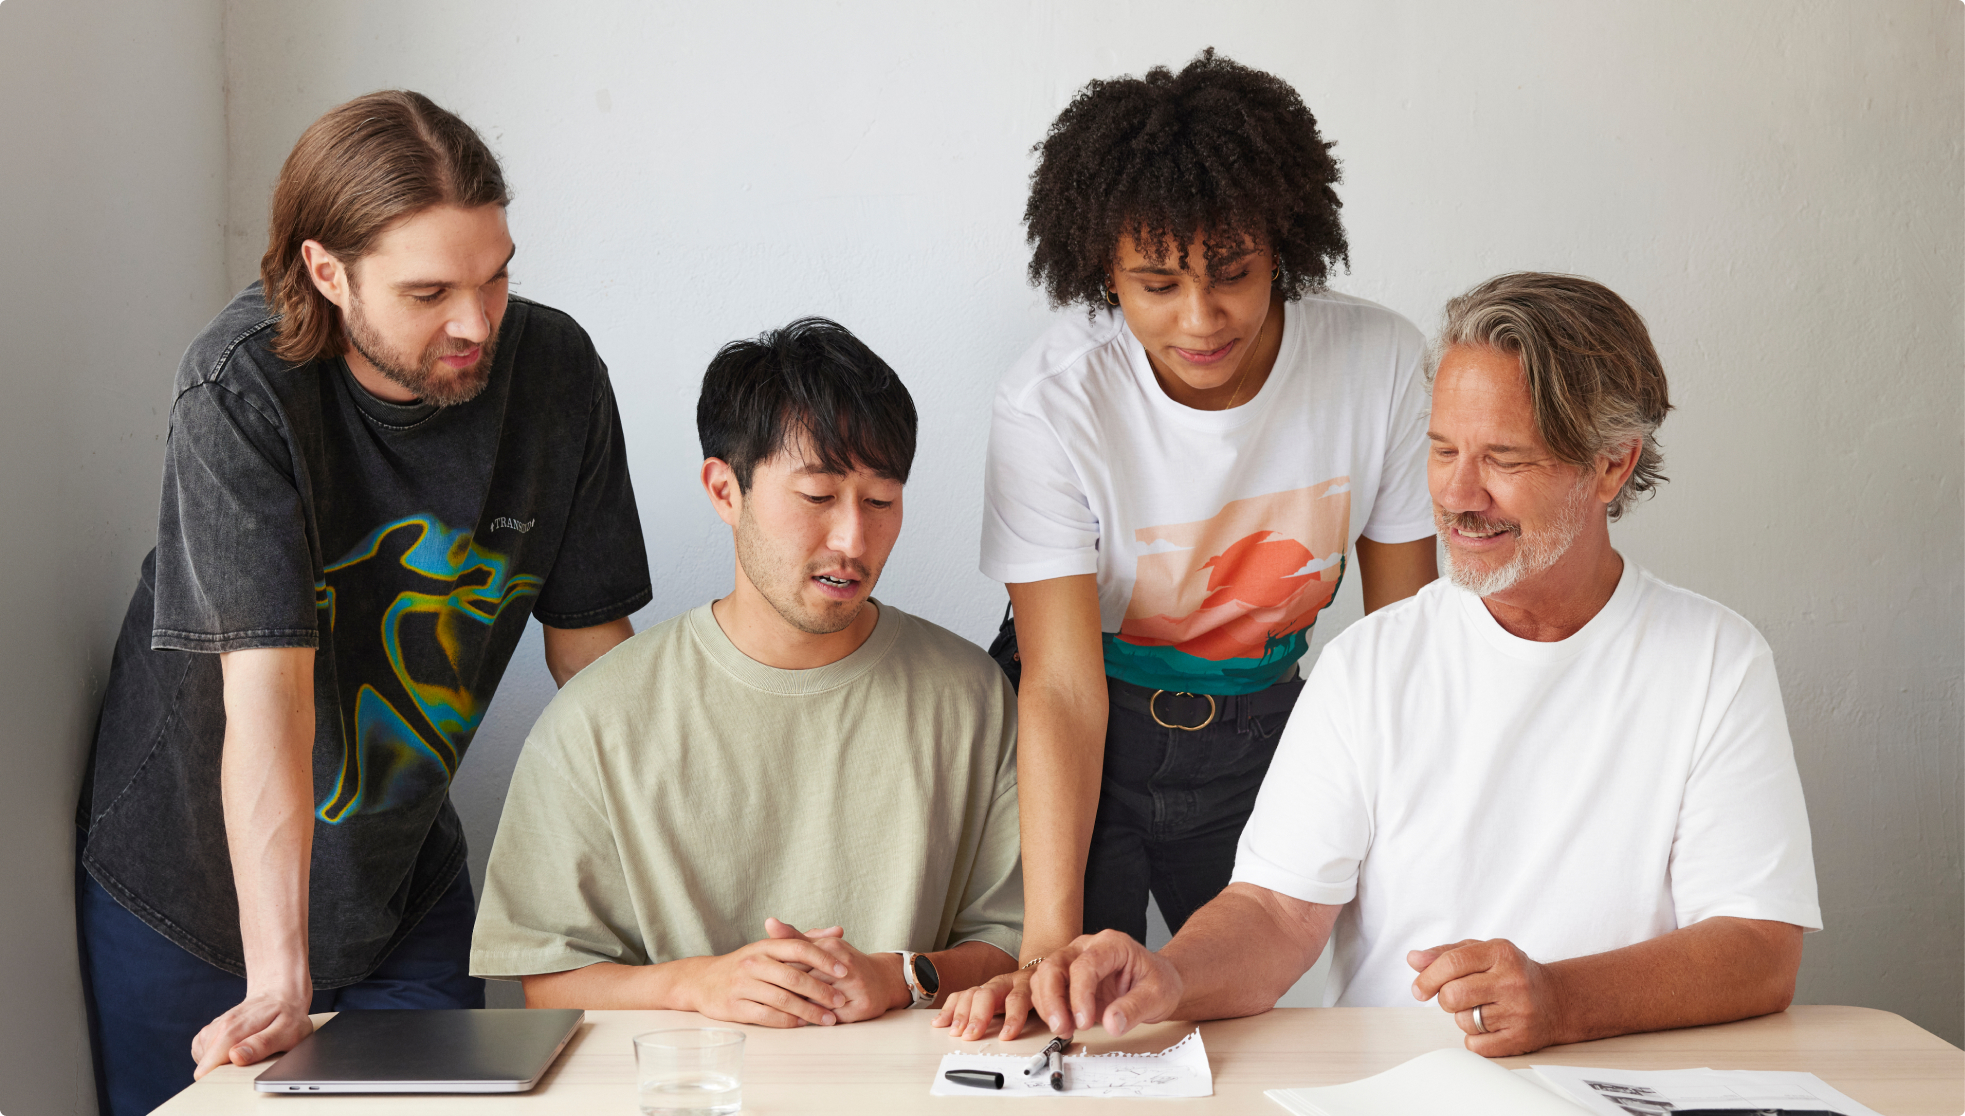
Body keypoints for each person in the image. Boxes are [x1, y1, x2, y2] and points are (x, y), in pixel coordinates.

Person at [1024, 273, 1821, 1056]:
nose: (1457, 493)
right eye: (1442, 449)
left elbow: (1757, 948)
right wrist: (1168, 974)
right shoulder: (1368, 664)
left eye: (1504, 459)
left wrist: (1558, 1000)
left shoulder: (1716, 660)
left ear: (1611, 466)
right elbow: (1273, 913)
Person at [74, 91, 651, 1115]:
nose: (477, 322)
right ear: (326, 272)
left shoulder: (555, 373)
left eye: (496, 275)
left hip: (399, 894)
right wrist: (280, 979)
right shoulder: (240, 390)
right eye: (430, 291)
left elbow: (599, 666)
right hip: (189, 907)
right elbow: (268, 708)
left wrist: (686, 910)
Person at [943, 49, 1438, 1039]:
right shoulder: (1052, 401)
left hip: (1268, 728)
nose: (1201, 319)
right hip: (1094, 732)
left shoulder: (1376, 363)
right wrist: (1047, 943)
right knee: (1078, 1018)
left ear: (1284, 247)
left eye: (1234, 274)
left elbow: (1405, 645)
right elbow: (1063, 688)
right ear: (1101, 271)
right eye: (1156, 284)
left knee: (1269, 1028)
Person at [469, 318, 1023, 1026]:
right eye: (818, 497)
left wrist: (901, 975)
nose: (853, 539)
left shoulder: (971, 694)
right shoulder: (599, 713)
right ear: (724, 490)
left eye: (881, 501)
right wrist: (696, 985)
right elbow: (546, 981)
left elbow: (1019, 944)